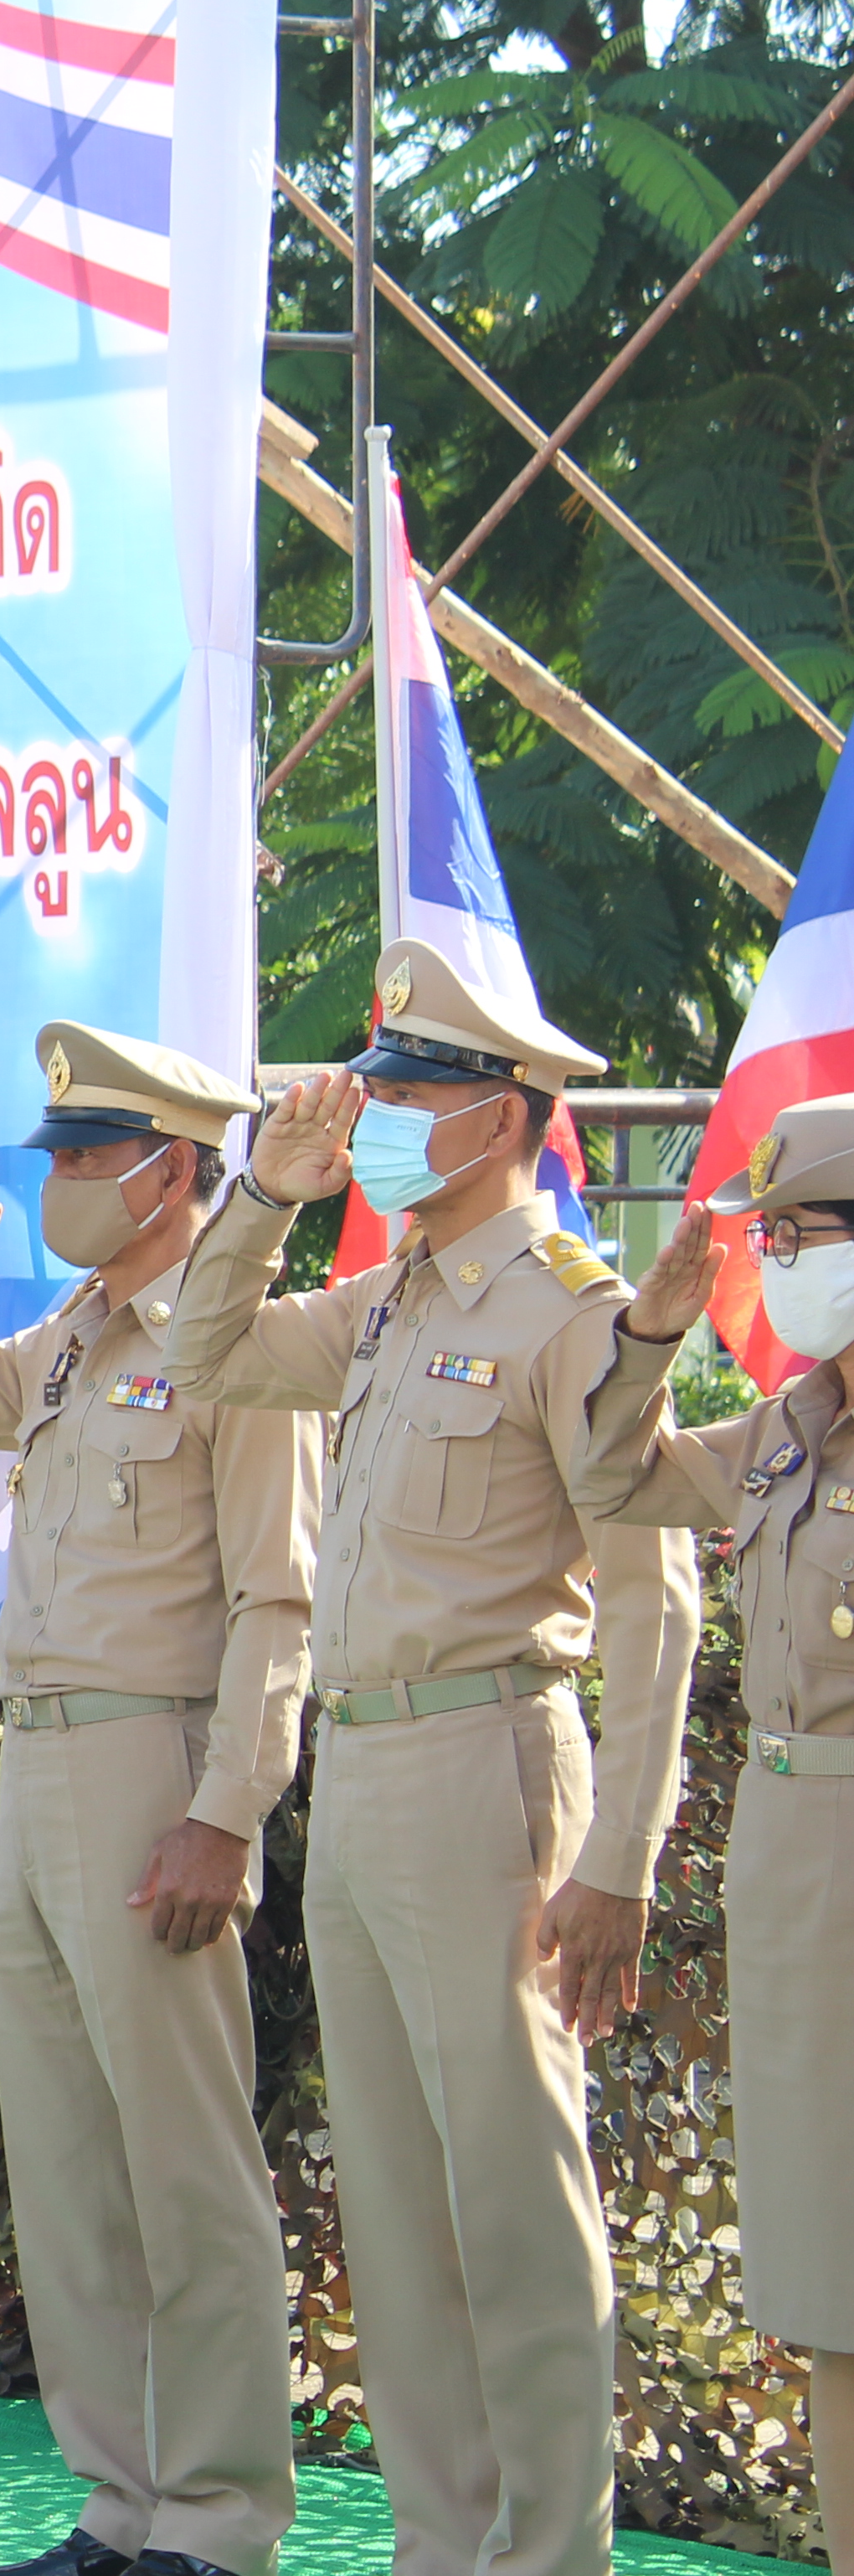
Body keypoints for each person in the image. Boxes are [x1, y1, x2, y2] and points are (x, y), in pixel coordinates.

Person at [157, 937, 694, 2576]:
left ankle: (550, 2558)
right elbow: (204, 1358)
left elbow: (660, 1598)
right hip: (370, 1768)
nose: (379, 1112)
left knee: (517, 2208)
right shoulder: (383, 1304)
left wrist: (624, 1859)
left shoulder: (573, 1315)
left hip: (491, 1769)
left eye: (410, 1091)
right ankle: (440, 2550)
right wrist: (265, 1196)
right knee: (395, 2212)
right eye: (376, 1086)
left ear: (505, 1116)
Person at [0, 1025, 314, 2576]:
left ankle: (214, 2519)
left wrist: (226, 1809)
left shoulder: (232, 1339)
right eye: (50, 1153)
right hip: (41, 1750)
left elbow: (276, 1598)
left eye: (82, 1155)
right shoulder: (65, 1336)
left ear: (175, 1167)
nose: (55, 1181)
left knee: (183, 2169)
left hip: (152, 1764)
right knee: (64, 2167)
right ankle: (116, 2504)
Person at [553, 1097, 854, 2562]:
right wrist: (653, 1340)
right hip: (795, 1882)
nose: (777, 1262)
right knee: (822, 2274)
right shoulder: (791, 1427)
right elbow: (608, 1476)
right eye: (772, 1236)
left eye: (803, 1237)